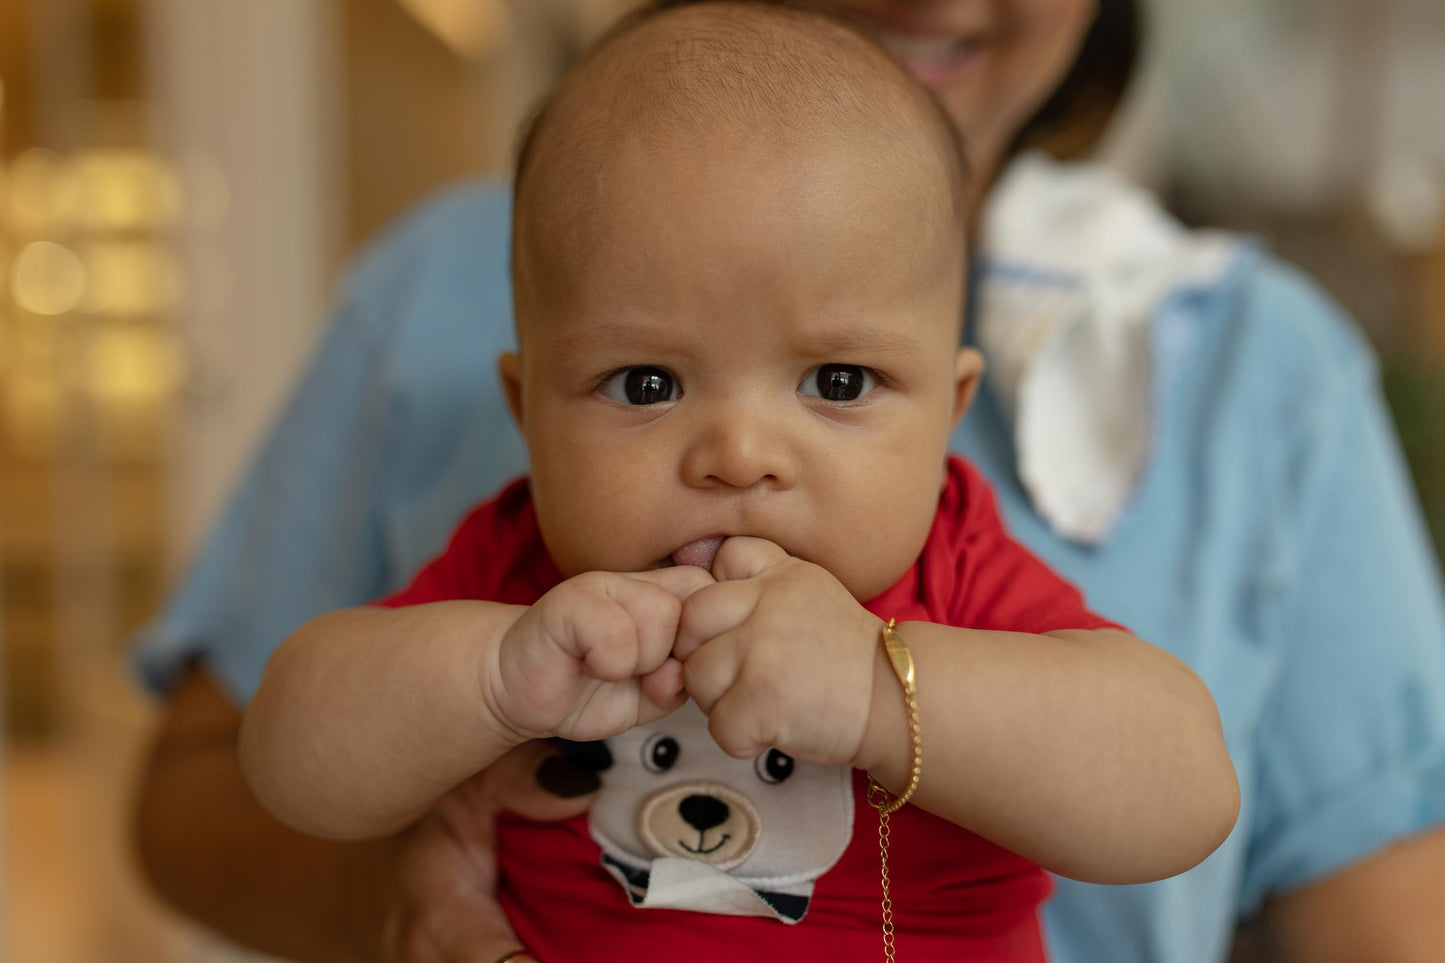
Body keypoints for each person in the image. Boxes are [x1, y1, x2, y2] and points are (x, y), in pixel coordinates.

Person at [132, 0, 1445, 961]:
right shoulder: (524, 571)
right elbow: (283, 756)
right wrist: (486, 678)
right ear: (523, 408)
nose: (739, 455)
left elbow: (1182, 788)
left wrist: (881, 692)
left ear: (949, 413)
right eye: (645, 386)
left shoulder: (954, 572)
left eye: (836, 386)